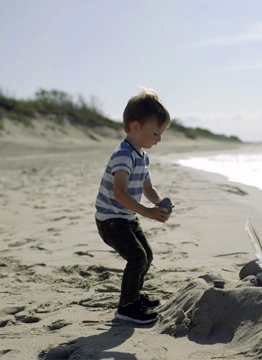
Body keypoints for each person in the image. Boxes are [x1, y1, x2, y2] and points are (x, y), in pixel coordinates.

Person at [94, 88, 172, 324]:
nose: (159, 140)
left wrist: (157, 202)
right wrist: (147, 212)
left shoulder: (142, 156)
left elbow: (147, 187)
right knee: (137, 257)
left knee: (146, 256)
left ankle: (134, 297)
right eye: (156, 133)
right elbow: (119, 193)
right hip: (111, 220)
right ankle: (126, 307)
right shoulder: (123, 155)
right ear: (136, 127)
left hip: (127, 218)